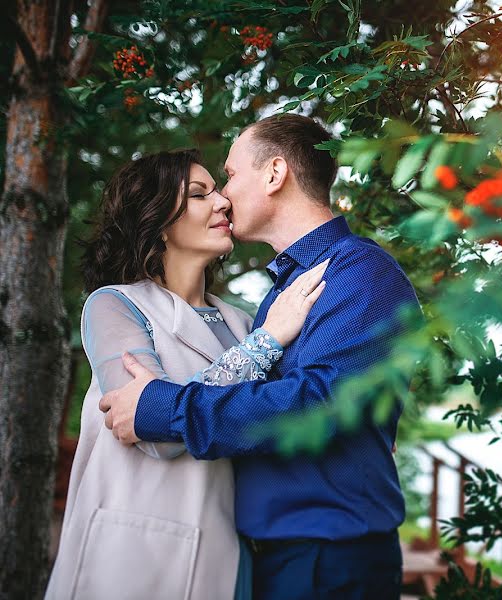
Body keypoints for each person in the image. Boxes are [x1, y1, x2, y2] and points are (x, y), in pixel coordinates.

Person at [99, 114, 421, 599]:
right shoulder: (283, 295)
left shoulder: (362, 273)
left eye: (229, 175)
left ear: (275, 174)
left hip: (328, 553)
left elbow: (317, 405)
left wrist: (160, 408)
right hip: (271, 555)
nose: (225, 195)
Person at [46, 149, 327, 600]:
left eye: (217, 189)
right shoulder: (115, 305)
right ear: (157, 220)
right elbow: (154, 430)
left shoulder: (242, 321)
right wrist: (267, 343)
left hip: (230, 554)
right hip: (135, 556)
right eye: (200, 194)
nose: (223, 203)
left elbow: (272, 417)